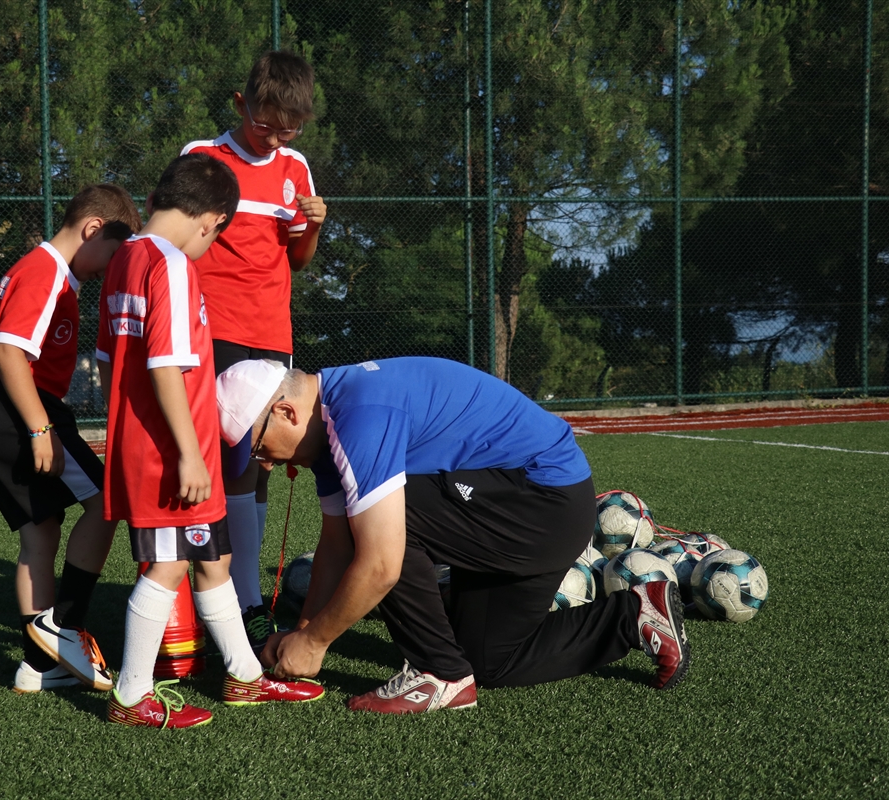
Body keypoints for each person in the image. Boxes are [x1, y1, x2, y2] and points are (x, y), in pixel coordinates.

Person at [215, 357, 691, 715]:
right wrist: (300, 633)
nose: (267, 465)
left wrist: (316, 643)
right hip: (525, 512)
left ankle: (436, 674)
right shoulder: (331, 422)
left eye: (257, 450)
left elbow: (381, 562)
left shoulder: (358, 413)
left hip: (542, 504)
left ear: (286, 412)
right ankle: (635, 613)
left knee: (385, 528)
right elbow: (335, 544)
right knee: (488, 660)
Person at [95, 153, 324, 729]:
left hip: (150, 441)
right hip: (174, 449)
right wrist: (189, 452)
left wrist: (128, 423)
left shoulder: (123, 258)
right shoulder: (169, 264)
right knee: (168, 568)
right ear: (211, 222)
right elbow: (168, 368)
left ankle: (245, 678)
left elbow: (107, 361)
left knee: (212, 560)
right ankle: (131, 696)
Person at [0, 185, 142, 694]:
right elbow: (9, 352)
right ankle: (64, 634)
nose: (108, 268)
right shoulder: (45, 273)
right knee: (106, 502)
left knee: (40, 533)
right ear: (92, 230)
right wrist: (40, 428)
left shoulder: (47, 272)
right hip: (14, 405)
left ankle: (38, 665)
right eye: (110, 254)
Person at [180, 51, 328, 646]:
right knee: (222, 463)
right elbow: (177, 242)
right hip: (212, 330)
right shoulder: (202, 158)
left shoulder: (295, 167)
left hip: (272, 333)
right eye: (266, 124)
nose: (276, 137)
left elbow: (298, 259)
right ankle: (237, 601)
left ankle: (241, 593)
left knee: (260, 464)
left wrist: (313, 225)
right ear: (242, 105)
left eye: (289, 128)